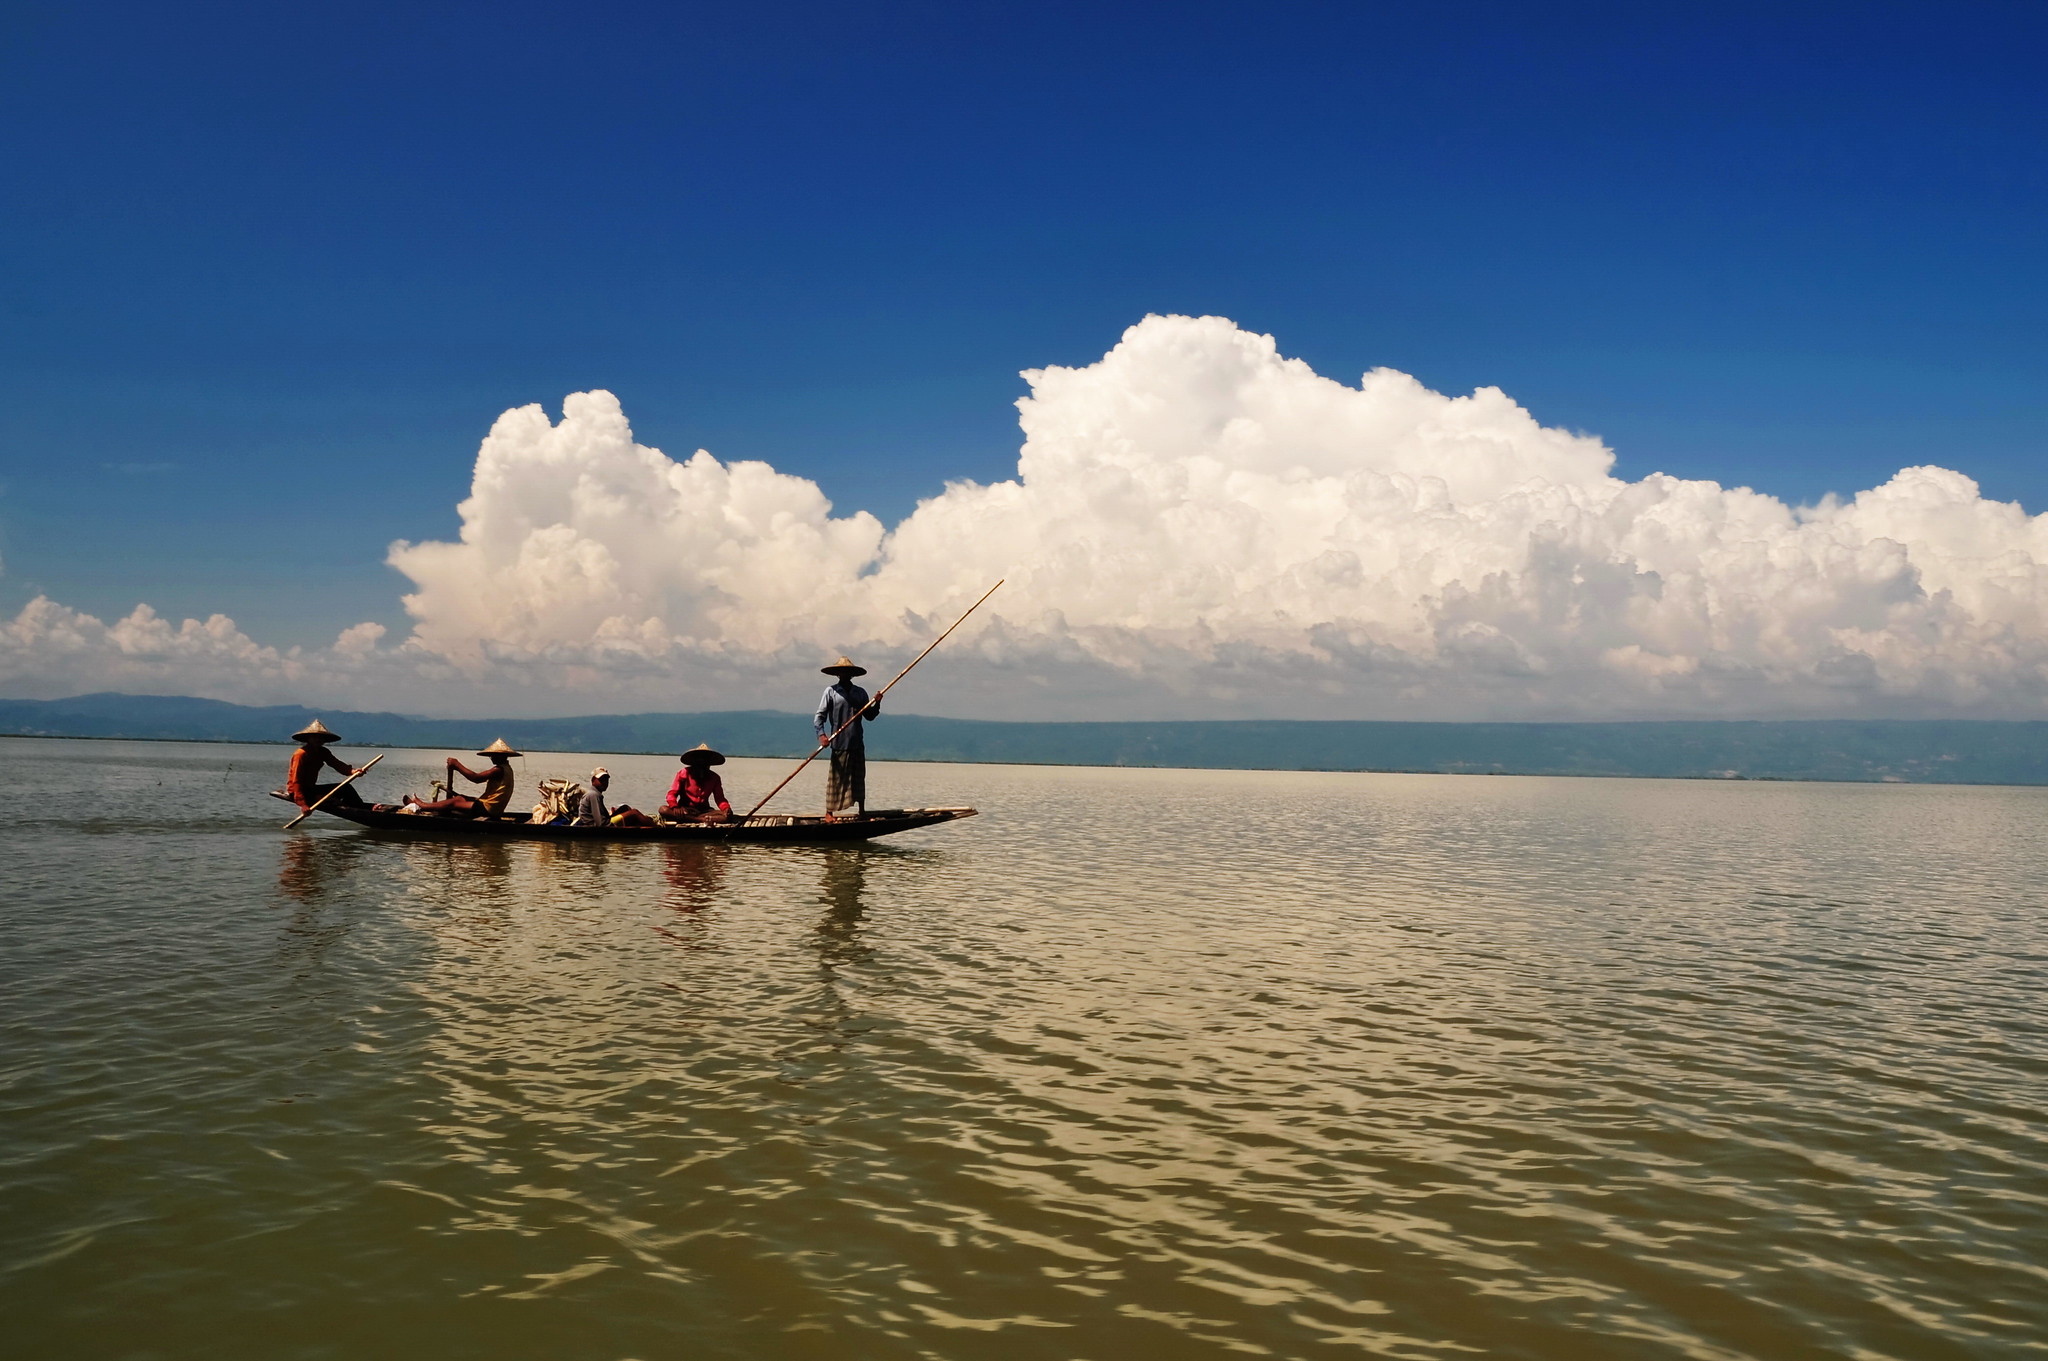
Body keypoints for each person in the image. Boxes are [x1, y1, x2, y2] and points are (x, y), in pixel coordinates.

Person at [815, 656, 880, 818]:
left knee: (858, 777)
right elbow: (819, 716)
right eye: (841, 672)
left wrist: (877, 703)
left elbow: (869, 716)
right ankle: (829, 813)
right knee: (836, 780)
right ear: (838, 674)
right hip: (839, 743)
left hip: (856, 741)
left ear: (852, 674)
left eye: (847, 672)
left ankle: (862, 811)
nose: (844, 674)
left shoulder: (860, 693)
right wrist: (822, 735)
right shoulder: (831, 692)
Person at [407, 739, 520, 817]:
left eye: (494, 755)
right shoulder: (507, 768)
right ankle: (429, 807)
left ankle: (423, 806)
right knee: (461, 798)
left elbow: (476, 778)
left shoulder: (498, 770)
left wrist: (457, 765)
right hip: (494, 808)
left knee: (455, 802)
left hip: (490, 809)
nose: (491, 758)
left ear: (502, 756)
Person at [285, 719, 372, 811]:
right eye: (315, 737)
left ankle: (360, 808)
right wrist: (303, 804)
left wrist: (353, 771)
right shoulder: (301, 754)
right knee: (339, 794)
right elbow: (296, 780)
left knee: (346, 788)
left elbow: (337, 765)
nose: (318, 740)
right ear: (308, 738)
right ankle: (358, 807)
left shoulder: (323, 752)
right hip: (297, 791)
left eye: (321, 737)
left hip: (311, 789)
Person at [663, 744, 733, 822]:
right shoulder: (684, 773)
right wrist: (674, 807)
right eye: (699, 761)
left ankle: (697, 819)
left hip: (704, 811)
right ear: (694, 761)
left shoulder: (714, 777)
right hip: (685, 810)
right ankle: (699, 820)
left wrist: (726, 808)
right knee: (663, 809)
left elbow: (720, 799)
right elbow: (672, 794)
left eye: (705, 761)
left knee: (726, 816)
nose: (702, 764)